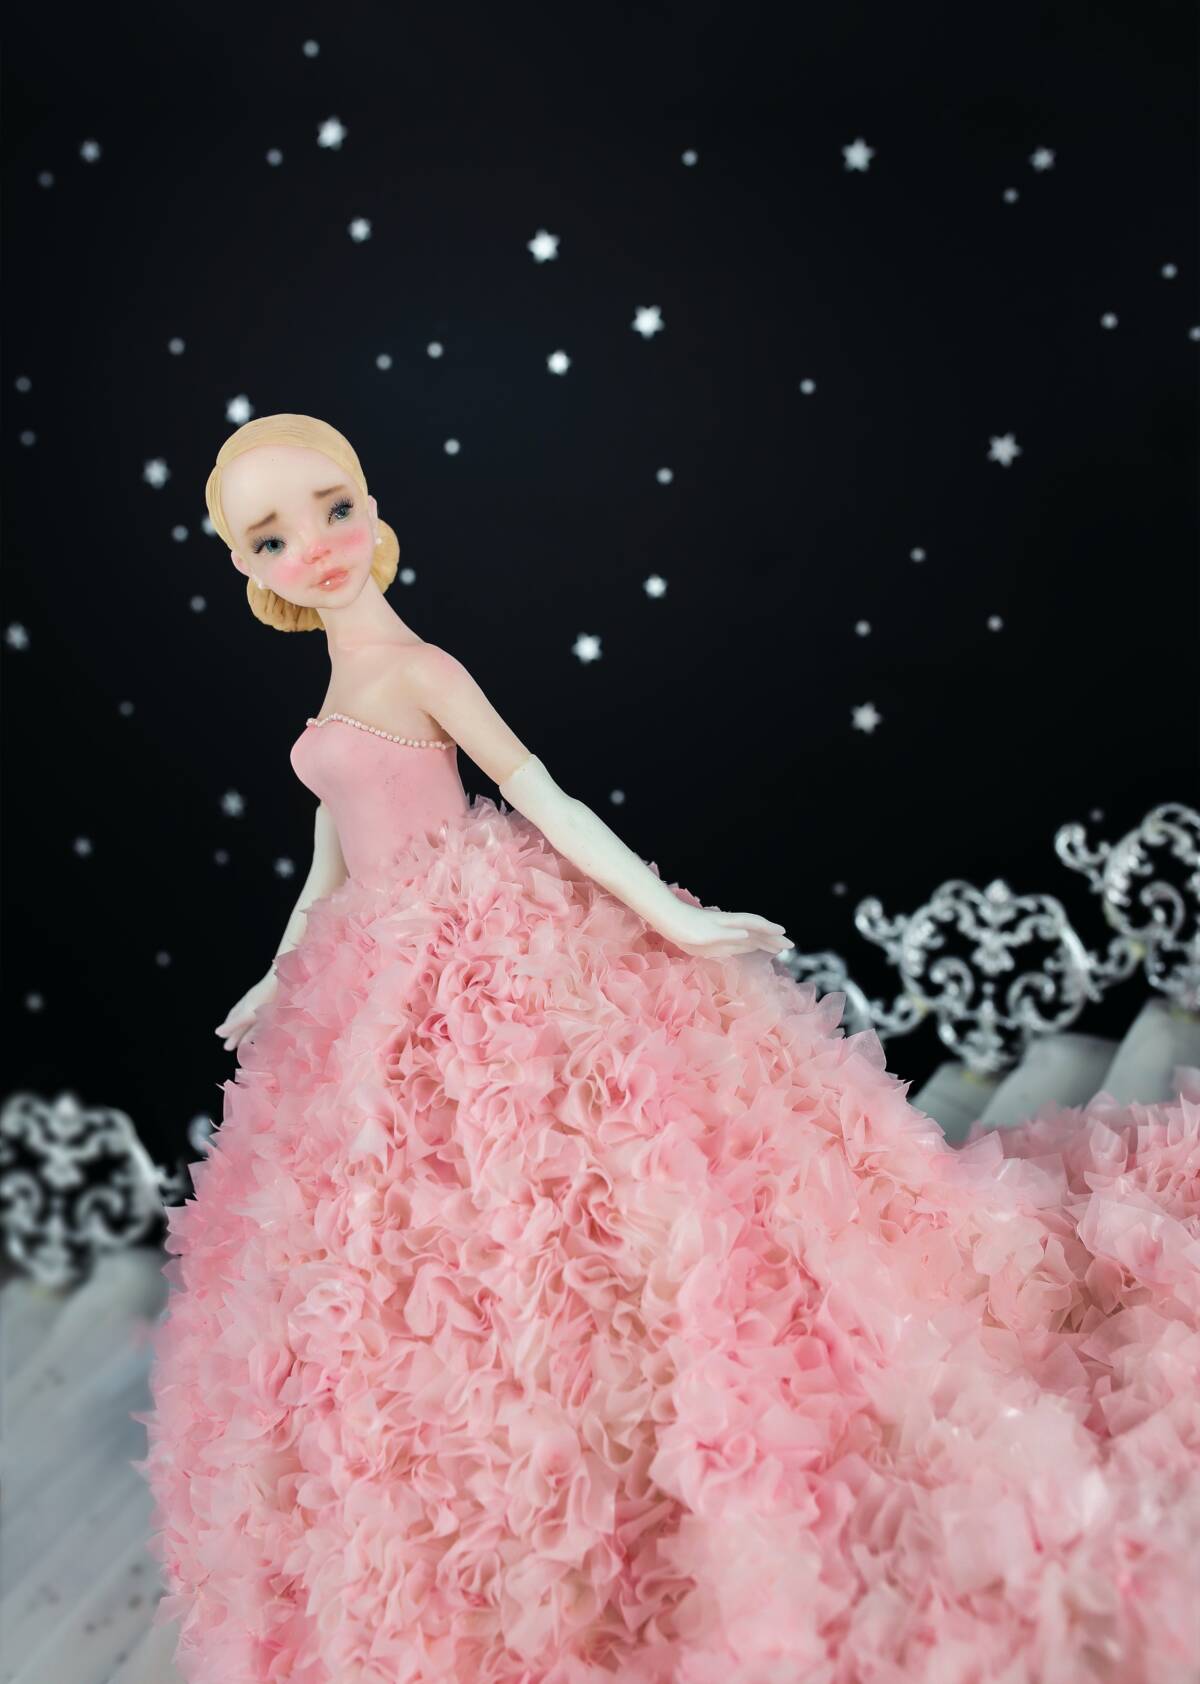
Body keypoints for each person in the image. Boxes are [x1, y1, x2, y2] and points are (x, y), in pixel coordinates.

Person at [132, 413, 1200, 1684]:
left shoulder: (421, 667)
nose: (314, 545)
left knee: (572, 1170)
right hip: (377, 969)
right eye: (272, 536)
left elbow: (541, 794)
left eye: (332, 508)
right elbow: (331, 856)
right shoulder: (337, 688)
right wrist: (277, 972)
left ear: (370, 506)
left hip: (480, 939)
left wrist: (671, 913)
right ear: (244, 566)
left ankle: (631, 1436)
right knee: (420, 1217)